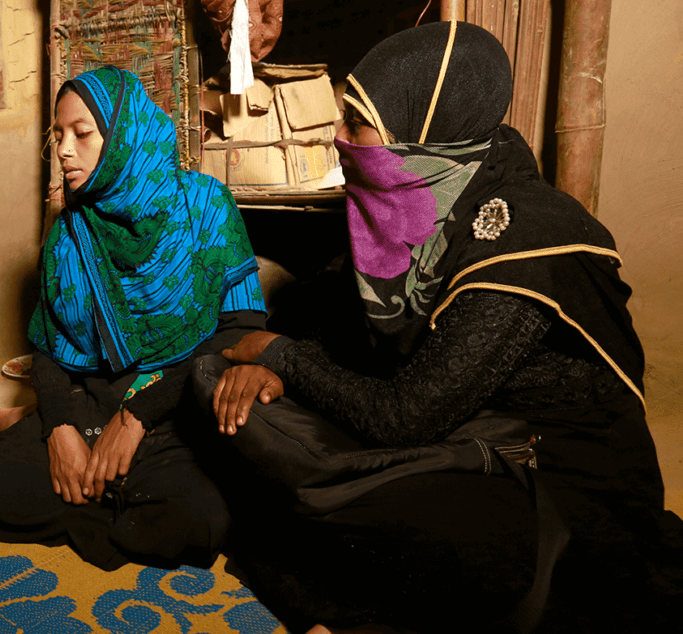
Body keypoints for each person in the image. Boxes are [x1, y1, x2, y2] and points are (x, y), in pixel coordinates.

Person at [205, 21, 683, 633]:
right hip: (449, 426)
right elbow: (351, 333)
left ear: (419, 132)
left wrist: (279, 356)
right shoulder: (420, 197)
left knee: (387, 525)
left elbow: (402, 417)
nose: (338, 139)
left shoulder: (527, 240)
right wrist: (282, 363)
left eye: (356, 122)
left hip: (545, 474)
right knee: (212, 382)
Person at [0, 66, 280, 571]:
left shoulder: (204, 207)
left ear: (125, 137)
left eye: (81, 135)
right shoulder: (70, 230)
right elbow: (50, 348)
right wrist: (60, 427)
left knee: (200, 521)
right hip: (93, 399)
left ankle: (98, 485)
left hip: (179, 399)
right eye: (58, 136)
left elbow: (239, 333)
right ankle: (110, 490)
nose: (63, 150)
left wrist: (137, 418)